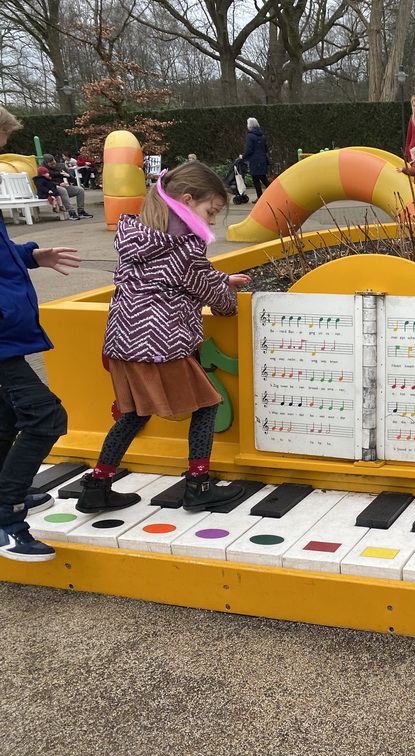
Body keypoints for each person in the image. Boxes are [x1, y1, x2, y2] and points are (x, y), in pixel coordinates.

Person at [75, 162, 251, 514]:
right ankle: (198, 487)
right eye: (211, 211)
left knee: (136, 413)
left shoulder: (138, 237)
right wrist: (229, 304)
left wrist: (217, 279)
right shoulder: (186, 246)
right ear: (187, 200)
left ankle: (97, 485)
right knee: (207, 406)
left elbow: (171, 277)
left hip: (123, 342)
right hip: (162, 345)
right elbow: (209, 293)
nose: (213, 221)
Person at [0, 106, 82, 562]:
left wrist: (30, 256)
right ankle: (8, 521)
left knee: (8, 419)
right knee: (46, 417)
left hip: (8, 336)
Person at [41, 153, 94, 219]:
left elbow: (73, 180)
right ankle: (71, 212)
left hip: (63, 187)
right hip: (51, 190)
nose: (54, 165)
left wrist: (68, 176)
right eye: (51, 164)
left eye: (54, 163)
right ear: (46, 163)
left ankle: (81, 211)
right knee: (63, 190)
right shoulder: (42, 169)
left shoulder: (61, 166)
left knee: (80, 190)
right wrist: (57, 185)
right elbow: (42, 182)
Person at [240, 117, 270, 201]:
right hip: (263, 159)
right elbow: (266, 149)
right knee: (263, 178)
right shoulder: (262, 136)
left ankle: (260, 197)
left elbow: (250, 149)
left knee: (256, 179)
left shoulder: (250, 136)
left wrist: (243, 156)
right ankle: (273, 192)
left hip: (255, 160)